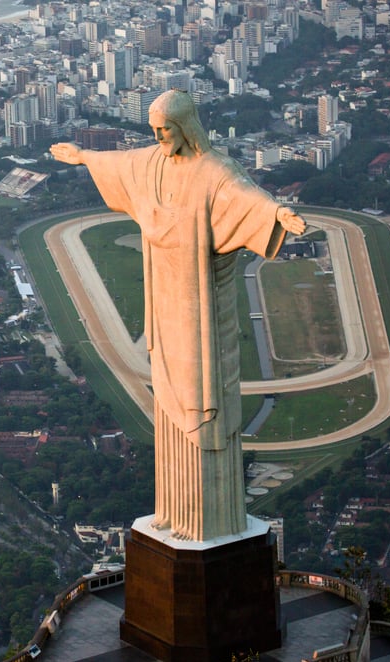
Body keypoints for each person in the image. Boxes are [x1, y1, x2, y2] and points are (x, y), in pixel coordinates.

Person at [51, 90, 306, 541]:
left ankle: (210, 520)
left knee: (201, 402)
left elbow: (247, 198)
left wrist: (279, 212)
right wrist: (83, 157)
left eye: (164, 129)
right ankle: (173, 514)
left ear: (185, 126)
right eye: (153, 130)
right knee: (169, 405)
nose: (158, 137)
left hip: (201, 310)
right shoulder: (152, 163)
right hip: (165, 302)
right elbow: (120, 164)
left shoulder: (214, 172)